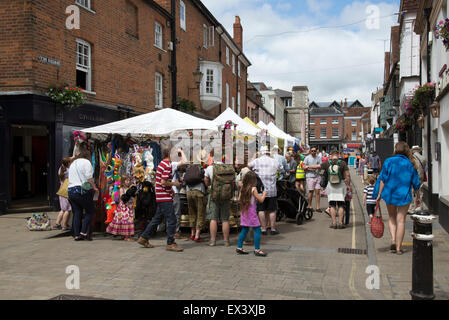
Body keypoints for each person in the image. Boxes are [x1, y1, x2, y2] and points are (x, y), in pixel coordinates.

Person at [373, 142, 420, 255]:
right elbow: (416, 183)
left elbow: (383, 179)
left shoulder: (389, 161)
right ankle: (398, 248)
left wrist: (379, 194)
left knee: (391, 218)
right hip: (404, 195)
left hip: (390, 194)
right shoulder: (410, 163)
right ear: (407, 150)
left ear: (396, 149)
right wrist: (418, 196)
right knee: (401, 220)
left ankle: (393, 239)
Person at [137, 147, 183, 252]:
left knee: (157, 219)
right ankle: (170, 243)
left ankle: (144, 237)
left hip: (161, 195)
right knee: (172, 219)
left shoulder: (162, 164)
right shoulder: (166, 165)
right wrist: (174, 183)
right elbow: (163, 182)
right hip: (164, 196)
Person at [305, 150, 350, 229]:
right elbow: (347, 174)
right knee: (341, 205)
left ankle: (334, 223)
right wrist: (348, 185)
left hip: (331, 186)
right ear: (338, 155)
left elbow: (318, 166)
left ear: (331, 155)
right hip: (340, 185)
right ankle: (340, 223)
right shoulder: (342, 163)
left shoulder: (327, 163)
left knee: (332, 205)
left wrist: (308, 167)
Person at [248, 146, 282, 235]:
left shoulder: (257, 161)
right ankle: (273, 228)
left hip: (260, 190)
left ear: (261, 152)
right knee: (272, 210)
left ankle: (263, 228)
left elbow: (249, 165)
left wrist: (254, 157)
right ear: (268, 152)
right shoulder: (274, 161)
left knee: (261, 209)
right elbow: (281, 168)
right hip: (272, 189)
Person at [68, 147, 98, 241]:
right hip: (81, 190)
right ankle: (83, 232)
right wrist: (94, 188)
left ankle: (76, 234)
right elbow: (89, 178)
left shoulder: (73, 163)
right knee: (90, 211)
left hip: (71, 190)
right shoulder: (86, 163)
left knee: (77, 212)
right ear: (87, 156)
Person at [236, 171, 268, 257]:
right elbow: (261, 200)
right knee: (257, 230)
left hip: (244, 211)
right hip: (251, 212)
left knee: (244, 229)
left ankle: (239, 247)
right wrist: (264, 194)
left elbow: (239, 199)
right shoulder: (253, 189)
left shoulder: (243, 188)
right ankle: (257, 249)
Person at [204, 158, 235, 247]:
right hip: (226, 196)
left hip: (214, 195)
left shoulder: (210, 168)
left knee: (213, 219)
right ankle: (226, 241)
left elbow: (206, 180)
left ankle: (213, 241)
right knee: (225, 219)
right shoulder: (229, 168)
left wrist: (209, 186)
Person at [106, 175, 136, 241]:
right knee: (125, 220)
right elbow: (123, 198)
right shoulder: (121, 189)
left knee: (129, 220)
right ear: (123, 181)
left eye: (129, 180)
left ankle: (126, 235)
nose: (128, 182)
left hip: (130, 206)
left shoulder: (130, 188)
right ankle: (126, 236)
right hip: (124, 207)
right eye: (126, 180)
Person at [186, 150, 207, 242]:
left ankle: (192, 233)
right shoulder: (202, 167)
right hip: (199, 192)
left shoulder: (189, 167)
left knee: (192, 212)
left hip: (189, 192)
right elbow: (206, 180)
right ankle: (197, 236)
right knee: (200, 213)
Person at [55, 157, 72, 231]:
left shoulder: (60, 169)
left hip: (61, 190)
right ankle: (64, 225)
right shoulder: (69, 170)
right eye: (70, 162)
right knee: (68, 209)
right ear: (68, 163)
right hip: (67, 191)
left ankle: (57, 223)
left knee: (62, 209)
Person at [303, 147, 322, 212]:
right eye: (312, 151)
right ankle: (309, 206)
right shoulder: (307, 158)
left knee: (318, 192)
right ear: (310, 151)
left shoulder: (318, 157)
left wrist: (309, 167)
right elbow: (304, 167)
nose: (313, 152)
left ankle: (318, 207)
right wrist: (313, 168)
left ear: (316, 151)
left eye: (314, 151)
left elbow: (320, 166)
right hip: (310, 177)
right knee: (311, 192)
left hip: (317, 176)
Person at [410, 145, 427, 214]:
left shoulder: (411, 158)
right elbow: (425, 168)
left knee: (412, 192)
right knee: (420, 192)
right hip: (421, 177)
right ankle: (420, 206)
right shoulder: (423, 158)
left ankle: (412, 207)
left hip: (413, 177)